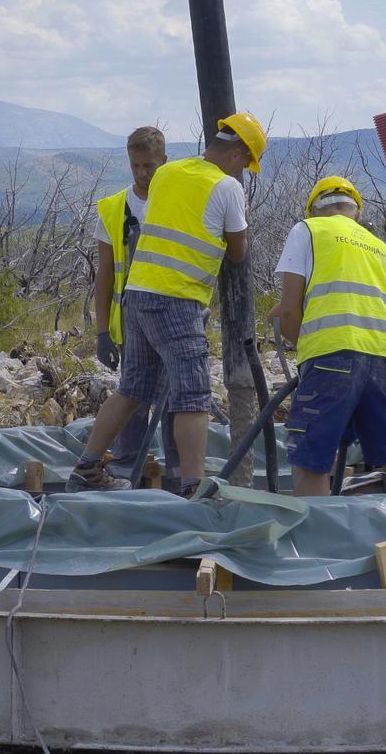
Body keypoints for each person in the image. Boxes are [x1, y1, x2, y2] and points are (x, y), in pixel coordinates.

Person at [66, 113, 265, 493]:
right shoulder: (227, 188)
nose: (243, 172)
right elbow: (237, 253)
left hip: (137, 298)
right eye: (245, 164)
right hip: (177, 299)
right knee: (192, 397)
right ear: (238, 154)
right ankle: (193, 487)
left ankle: (86, 467)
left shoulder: (169, 174)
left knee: (132, 389)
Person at [271, 176, 386, 497]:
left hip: (330, 360)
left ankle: (317, 543)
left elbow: (288, 315)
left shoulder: (309, 231)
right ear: (356, 212)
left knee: (312, 463)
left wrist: (312, 353)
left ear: (314, 210)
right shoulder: (385, 253)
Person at [93, 126, 178, 483]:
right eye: (136, 166)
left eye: (150, 166)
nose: (142, 173)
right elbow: (105, 274)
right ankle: (128, 463)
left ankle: (178, 467)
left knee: (177, 394)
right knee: (135, 391)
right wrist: (101, 331)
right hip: (131, 318)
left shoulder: (177, 205)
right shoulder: (115, 208)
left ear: (164, 163)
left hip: (173, 313)